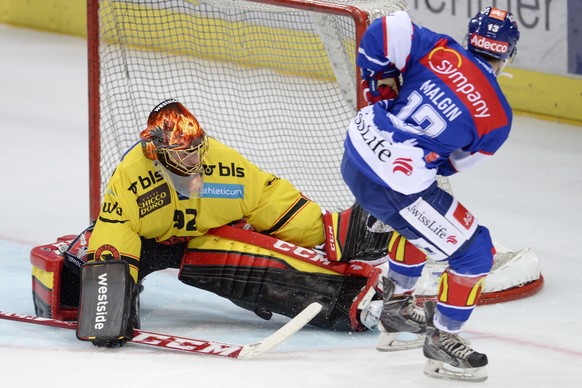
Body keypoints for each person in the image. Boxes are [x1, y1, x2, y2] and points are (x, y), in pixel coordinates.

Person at [33, 98, 396, 348]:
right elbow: (115, 231)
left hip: (199, 239)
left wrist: (325, 230)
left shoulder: (223, 164)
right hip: (143, 246)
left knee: (241, 262)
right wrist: (107, 308)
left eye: (195, 148)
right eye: (180, 153)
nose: (192, 160)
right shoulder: (131, 176)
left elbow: (267, 200)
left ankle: (351, 300)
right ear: (154, 152)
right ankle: (82, 261)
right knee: (83, 286)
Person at [341, 7, 519, 382]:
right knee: (474, 253)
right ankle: (443, 341)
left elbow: (385, 27)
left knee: (425, 219)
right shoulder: (499, 117)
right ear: (507, 54)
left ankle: (397, 313)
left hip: (356, 152)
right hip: (393, 185)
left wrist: (381, 89)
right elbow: (453, 165)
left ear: (472, 38)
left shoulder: (438, 48)